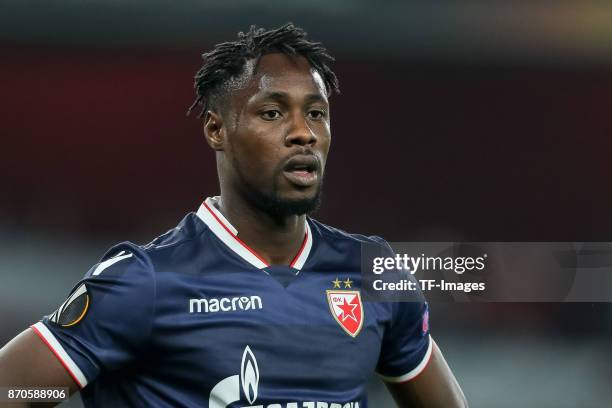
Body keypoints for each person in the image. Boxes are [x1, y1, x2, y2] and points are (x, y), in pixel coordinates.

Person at [0, 23, 467, 407]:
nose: (303, 133)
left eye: (317, 114)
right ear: (216, 130)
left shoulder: (373, 273)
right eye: (272, 113)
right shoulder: (145, 282)